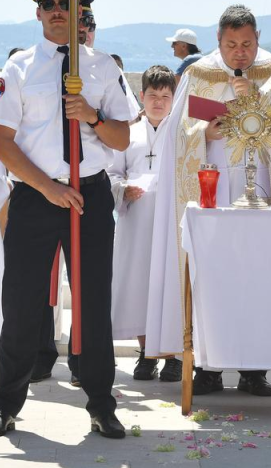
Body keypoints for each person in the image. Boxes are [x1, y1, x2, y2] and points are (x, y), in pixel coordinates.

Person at [0, 0, 133, 439]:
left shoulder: (103, 67)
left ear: (80, 9)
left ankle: (101, 403)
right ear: (38, 12)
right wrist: (48, 188)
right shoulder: (20, 67)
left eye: (65, 2)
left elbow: (123, 138)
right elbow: (1, 141)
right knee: (23, 302)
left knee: (92, 302)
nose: (56, 10)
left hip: (88, 197)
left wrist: (89, 116)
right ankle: (6, 402)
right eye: (47, 3)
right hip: (36, 195)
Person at [143, 5, 271, 400]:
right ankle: (207, 365)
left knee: (260, 277)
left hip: (263, 197)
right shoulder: (199, 74)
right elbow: (177, 135)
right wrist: (207, 132)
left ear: (258, 41)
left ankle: (256, 368)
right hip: (212, 194)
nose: (240, 53)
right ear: (218, 41)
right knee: (210, 278)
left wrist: (257, 105)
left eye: (247, 44)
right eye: (232, 44)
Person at [110, 65, 177, 381]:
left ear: (174, 99)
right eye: (153, 96)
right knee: (138, 284)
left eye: (166, 97)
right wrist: (123, 189)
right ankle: (147, 354)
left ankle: (174, 356)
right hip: (136, 218)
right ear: (142, 96)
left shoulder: (181, 134)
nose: (159, 103)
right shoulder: (128, 133)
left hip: (169, 220)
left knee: (169, 283)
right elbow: (110, 173)